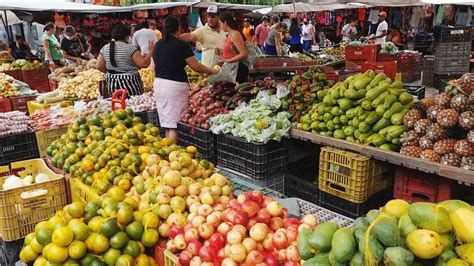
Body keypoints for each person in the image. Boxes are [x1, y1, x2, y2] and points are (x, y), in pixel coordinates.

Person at [153, 16, 217, 139]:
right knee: (174, 124)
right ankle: (173, 155)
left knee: (167, 123)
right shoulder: (181, 45)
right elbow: (196, 67)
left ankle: (168, 151)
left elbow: (153, 65)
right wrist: (213, 71)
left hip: (159, 84)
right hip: (174, 86)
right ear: (178, 29)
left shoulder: (158, 45)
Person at [97, 24, 153, 97]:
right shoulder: (130, 48)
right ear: (127, 36)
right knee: (131, 105)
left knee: (117, 105)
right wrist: (150, 51)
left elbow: (99, 66)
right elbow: (144, 64)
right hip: (130, 84)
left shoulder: (105, 48)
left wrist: (113, 72)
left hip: (112, 83)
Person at [219, 12, 249, 83]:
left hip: (238, 70)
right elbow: (234, 50)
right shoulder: (230, 34)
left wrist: (227, 60)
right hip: (232, 69)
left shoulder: (235, 34)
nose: (220, 26)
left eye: (220, 23)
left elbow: (244, 54)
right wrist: (222, 51)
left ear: (225, 22)